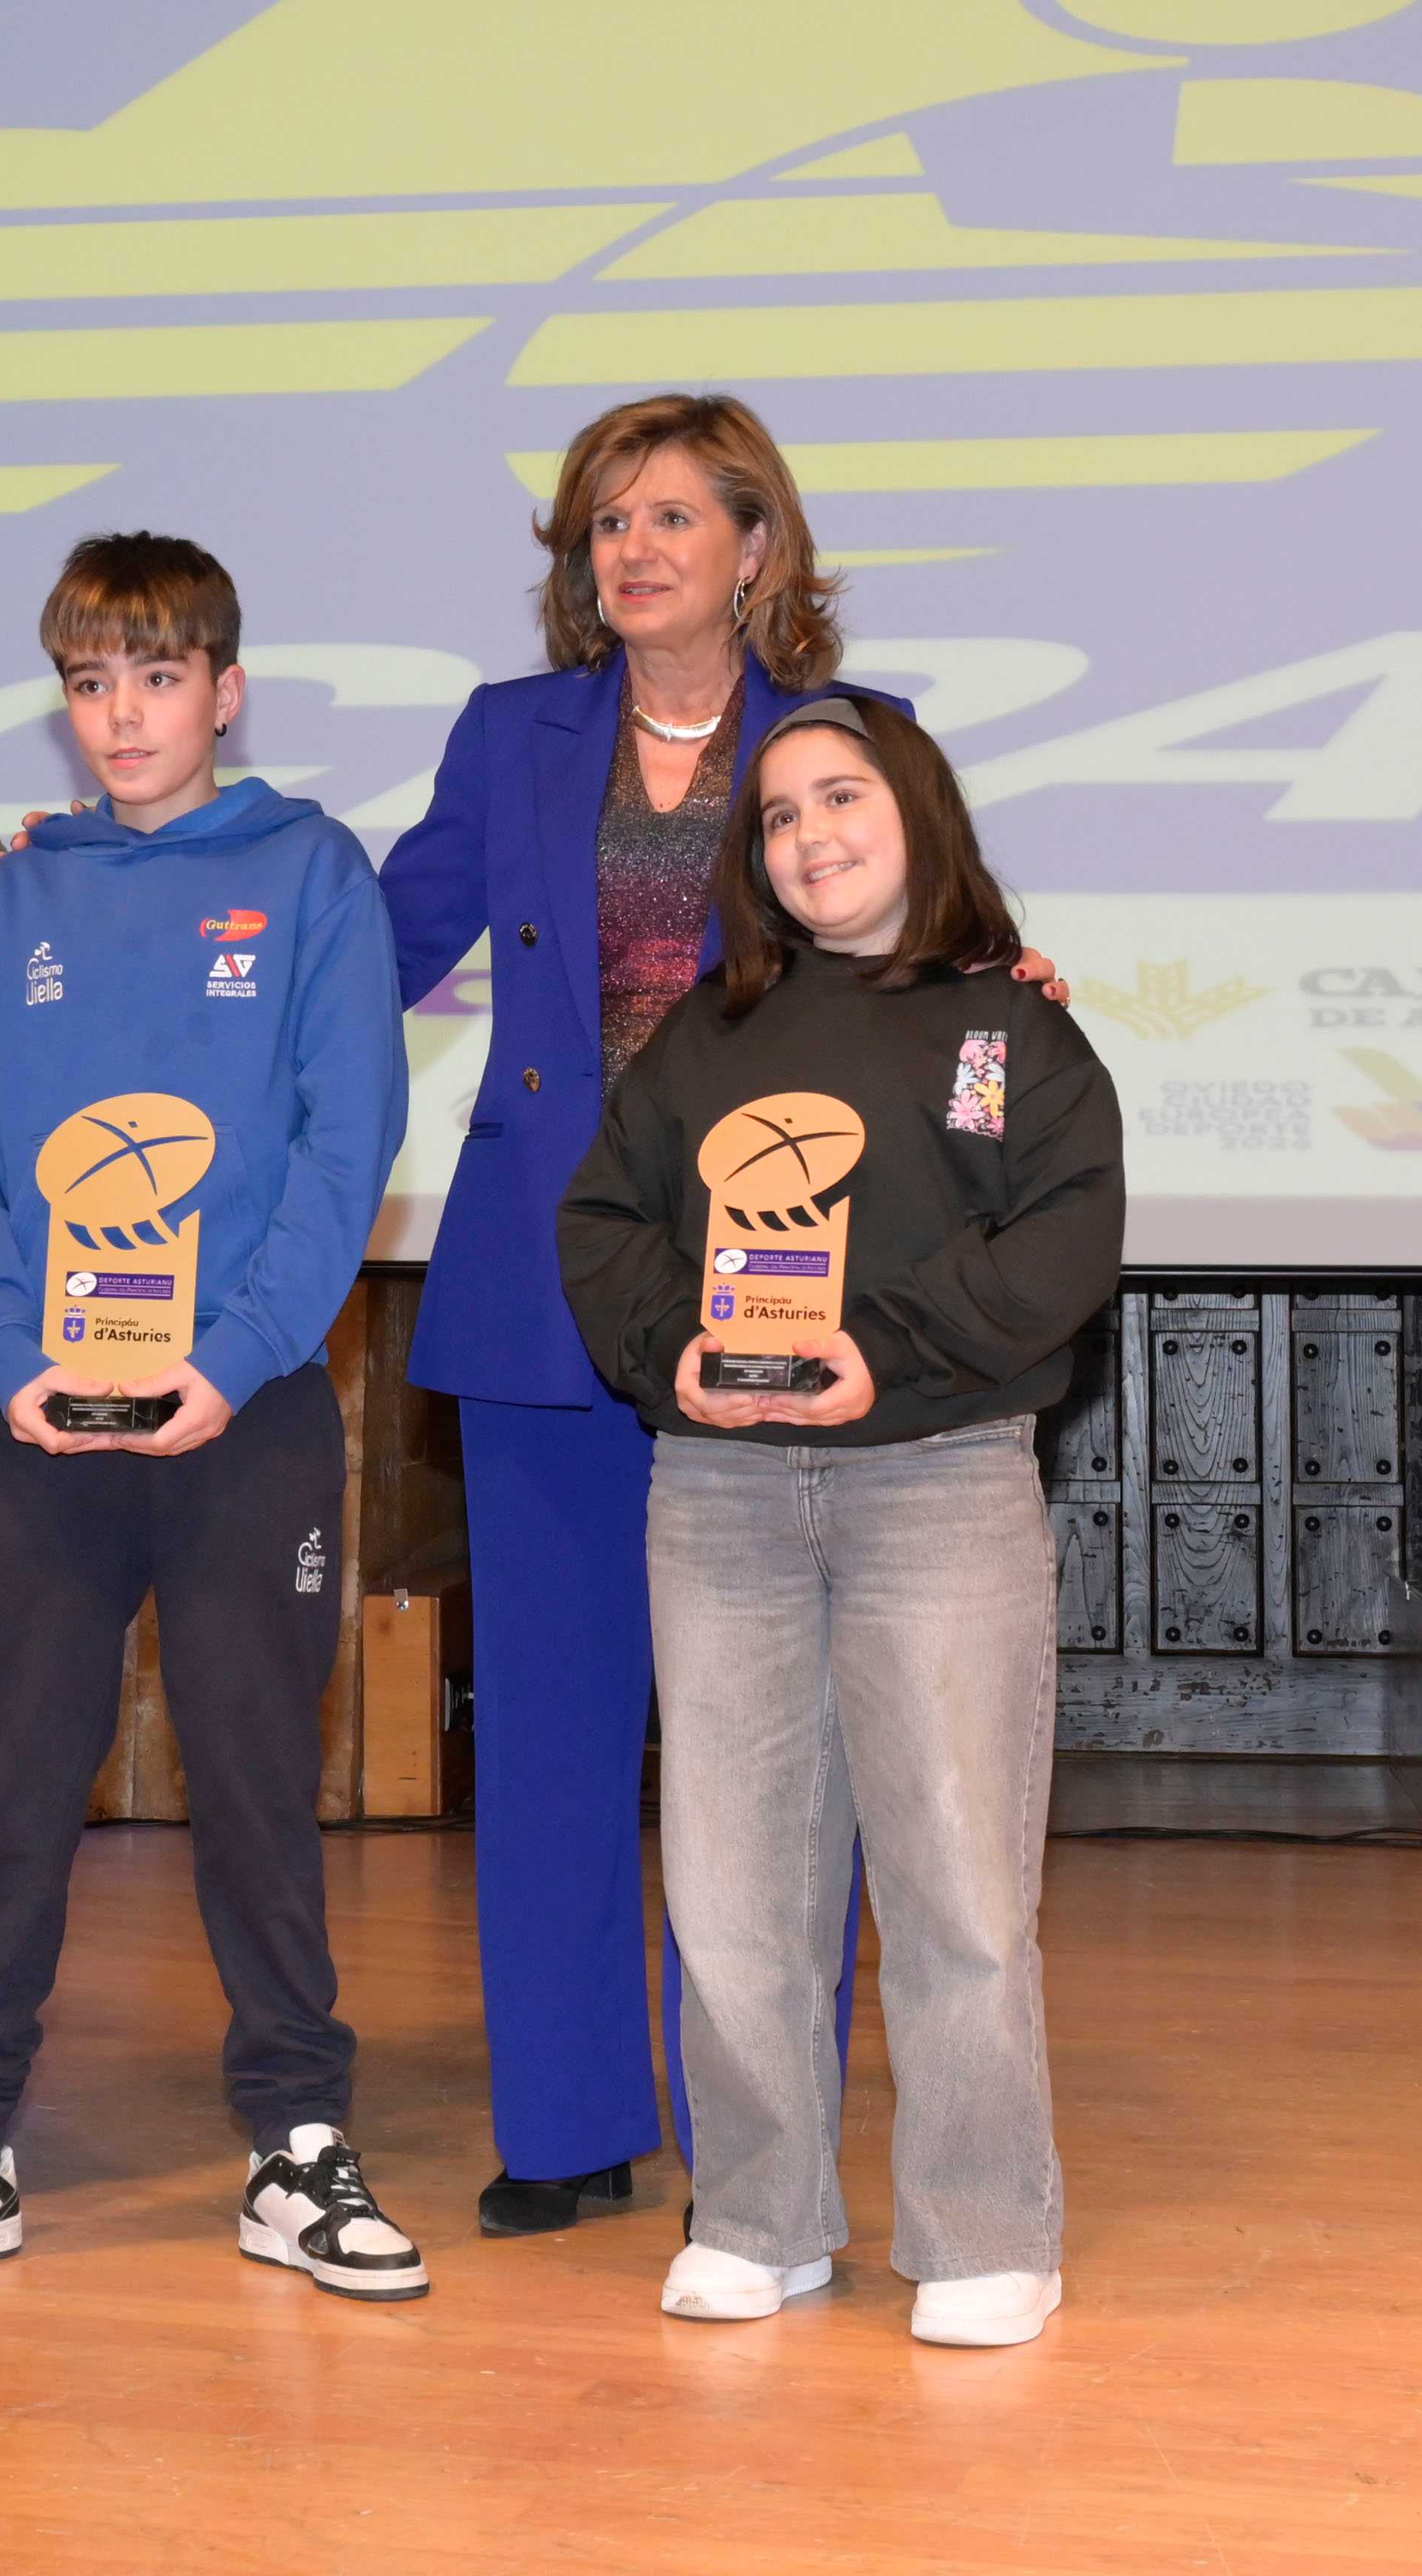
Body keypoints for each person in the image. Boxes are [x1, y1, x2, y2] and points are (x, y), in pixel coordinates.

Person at [0, 533, 418, 2299]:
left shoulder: (312, 874)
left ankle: (296, 2140)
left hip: (247, 1418)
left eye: (159, 677)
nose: (125, 714)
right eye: (91, 682)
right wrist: (10, 1357)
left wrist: (230, 1357)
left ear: (226, 690)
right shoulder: (19, 898)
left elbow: (348, 1138)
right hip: (42, 1424)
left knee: (256, 1783)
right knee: (12, 1778)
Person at [373, 391, 913, 2237]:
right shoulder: (510, 735)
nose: (633, 548)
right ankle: (571, 2118)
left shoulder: (849, 741)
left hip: (777, 1287)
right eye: (608, 520)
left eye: (673, 514)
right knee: (548, 1734)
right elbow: (373, 942)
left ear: (758, 547)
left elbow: (925, 953)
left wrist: (1000, 985)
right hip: (545, 1292)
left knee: (775, 1754)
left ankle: (759, 2144)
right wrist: (148, 888)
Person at [558, 696, 1120, 2351]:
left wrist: (891, 1347)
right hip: (720, 1487)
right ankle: (759, 2214)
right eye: (779, 814)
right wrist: (676, 1349)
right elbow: (603, 1218)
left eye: (842, 796)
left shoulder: (1010, 1030)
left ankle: (984, 2229)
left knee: (957, 1878)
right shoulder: (706, 1033)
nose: (810, 835)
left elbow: (1066, 1231)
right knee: (731, 1884)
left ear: (918, 809)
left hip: (937, 1481)